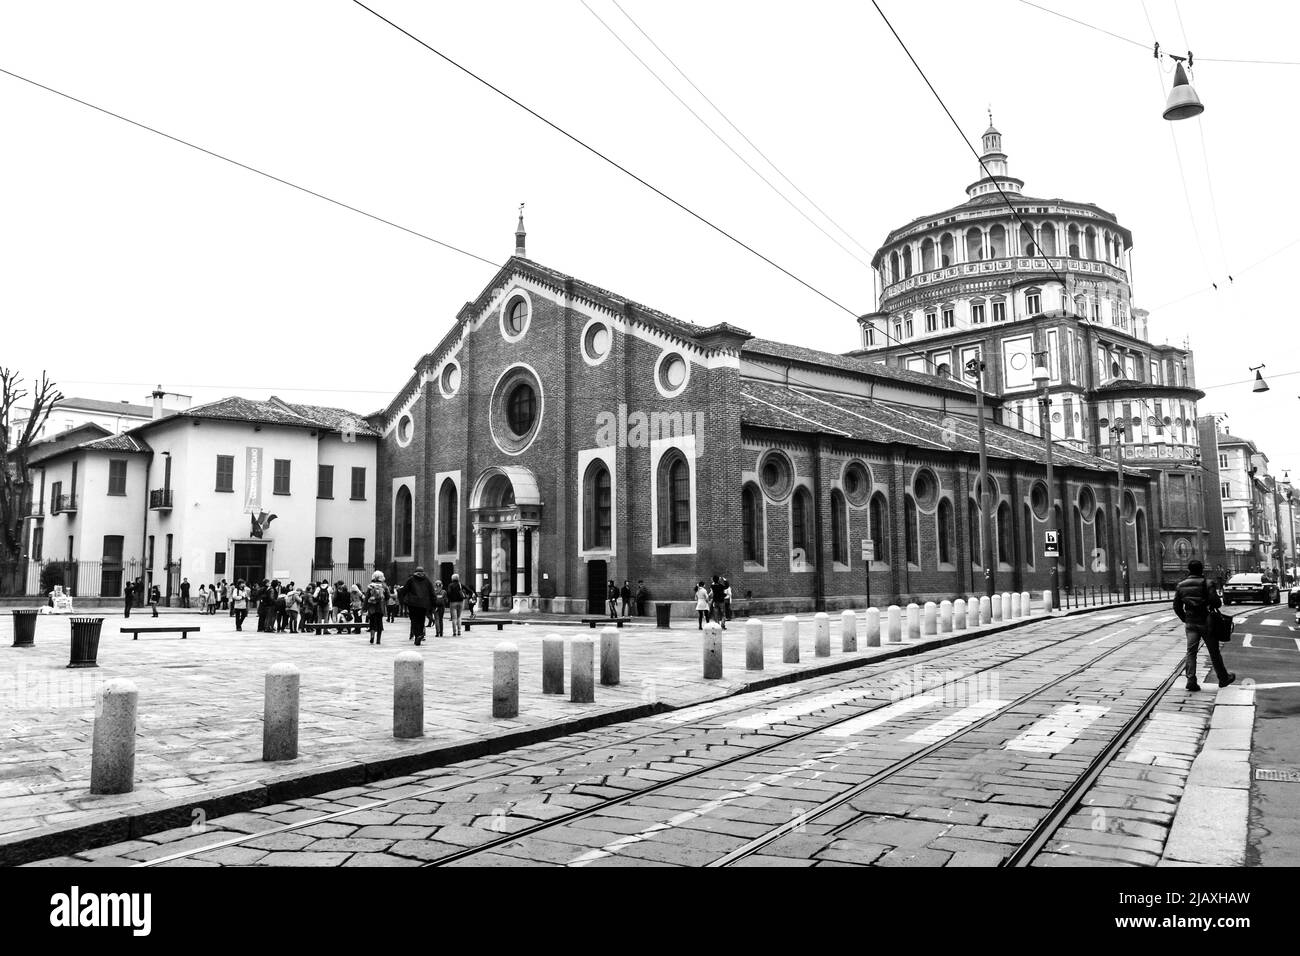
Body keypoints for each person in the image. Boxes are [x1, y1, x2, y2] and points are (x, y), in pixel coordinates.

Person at [1173, 559, 1235, 692]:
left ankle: (1191, 680)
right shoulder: (1208, 583)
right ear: (1202, 570)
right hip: (1206, 622)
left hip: (1190, 622)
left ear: (1189, 570)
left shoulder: (1181, 585)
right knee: (1214, 652)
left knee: (1191, 652)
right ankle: (1223, 678)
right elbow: (1216, 603)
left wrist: (1185, 618)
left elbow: (1177, 606)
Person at [403, 566, 435, 644]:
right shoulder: (427, 580)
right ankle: (420, 634)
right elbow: (432, 592)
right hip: (423, 604)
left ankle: (417, 635)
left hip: (413, 604)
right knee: (421, 620)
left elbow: (404, 590)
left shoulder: (411, 580)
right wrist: (433, 604)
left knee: (414, 620)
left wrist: (405, 601)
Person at [365, 571, 389, 645]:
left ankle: (372, 637)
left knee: (372, 623)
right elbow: (388, 596)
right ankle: (378, 640)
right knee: (379, 623)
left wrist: (364, 607)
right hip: (380, 607)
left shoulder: (370, 586)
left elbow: (366, 597)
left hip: (372, 607)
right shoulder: (384, 586)